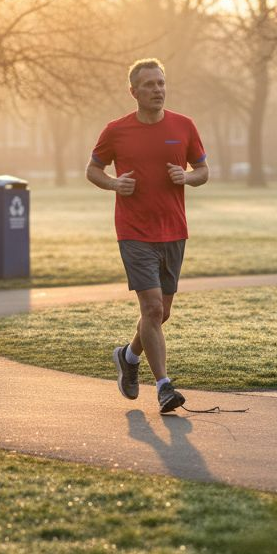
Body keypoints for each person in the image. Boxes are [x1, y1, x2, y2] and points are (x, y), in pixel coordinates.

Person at [86, 58, 209, 413]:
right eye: (149, 85)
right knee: (151, 308)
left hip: (173, 230)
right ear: (134, 91)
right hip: (134, 231)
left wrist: (186, 177)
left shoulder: (184, 126)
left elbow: (202, 170)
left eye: (161, 83)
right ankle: (165, 387)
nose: (157, 89)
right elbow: (93, 169)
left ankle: (127, 356)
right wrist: (113, 183)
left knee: (161, 313)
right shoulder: (116, 131)